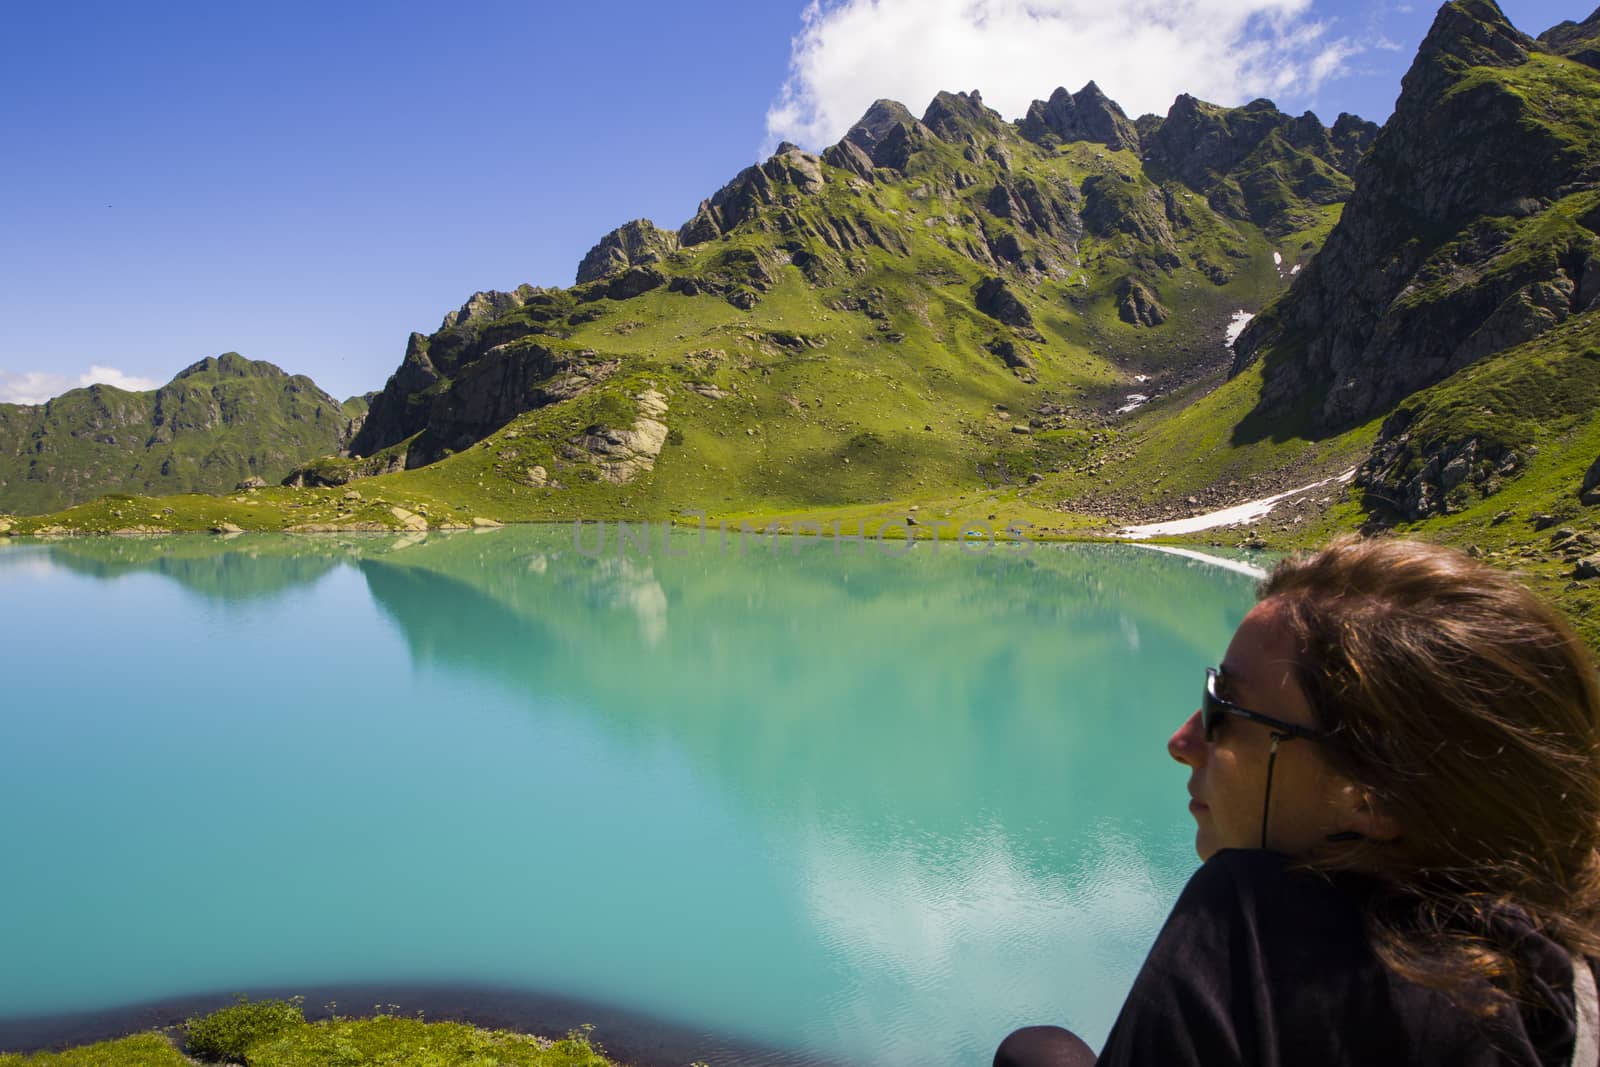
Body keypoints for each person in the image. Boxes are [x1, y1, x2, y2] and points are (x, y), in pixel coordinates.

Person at [996, 535, 1600, 1067]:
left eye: (1222, 711)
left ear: (1372, 795)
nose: (1182, 742)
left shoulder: (1254, 932)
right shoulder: (1558, 964)